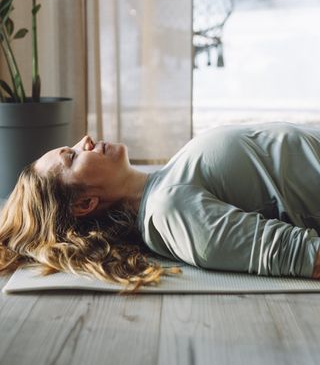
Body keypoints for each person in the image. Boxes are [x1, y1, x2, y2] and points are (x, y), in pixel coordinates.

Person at [1, 121, 320, 294]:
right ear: (85, 203)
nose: (84, 140)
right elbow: (304, 256)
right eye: (71, 157)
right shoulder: (170, 212)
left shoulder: (164, 183)